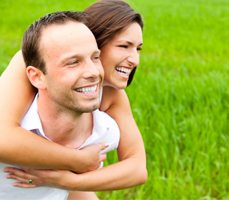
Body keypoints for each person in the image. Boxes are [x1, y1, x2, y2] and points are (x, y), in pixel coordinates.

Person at [0, 0, 147, 199]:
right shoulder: (33, 63)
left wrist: (70, 181)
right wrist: (77, 160)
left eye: (138, 48)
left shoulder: (113, 94)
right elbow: (3, 137)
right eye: (124, 46)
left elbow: (137, 167)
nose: (135, 60)